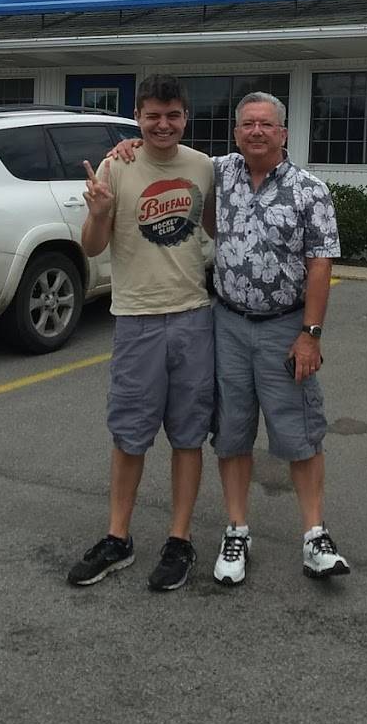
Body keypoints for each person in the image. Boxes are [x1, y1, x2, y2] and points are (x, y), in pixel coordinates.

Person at [110, 91, 349, 587]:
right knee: (232, 431)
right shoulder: (218, 173)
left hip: (285, 326)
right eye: (247, 124)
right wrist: (126, 145)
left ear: (283, 133)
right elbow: (162, 151)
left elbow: (320, 265)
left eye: (266, 124)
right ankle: (237, 529)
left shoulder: (310, 190)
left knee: (299, 431)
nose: (256, 131)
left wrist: (310, 334)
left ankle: (315, 535)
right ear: (236, 133)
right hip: (228, 324)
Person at [66, 73, 214, 592]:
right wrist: (98, 213)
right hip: (135, 319)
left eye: (172, 115)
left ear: (186, 117)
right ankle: (118, 537)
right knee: (130, 436)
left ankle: (179, 540)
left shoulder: (204, 167)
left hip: (193, 316)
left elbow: (218, 228)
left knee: (188, 436)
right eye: (152, 116)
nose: (162, 124)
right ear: (137, 117)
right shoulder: (116, 166)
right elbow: (91, 247)